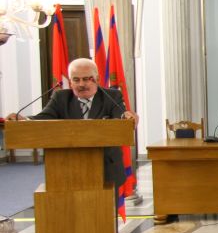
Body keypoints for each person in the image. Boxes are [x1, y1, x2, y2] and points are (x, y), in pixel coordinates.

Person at [6, 57, 138, 190]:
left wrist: (126, 117)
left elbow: (120, 116)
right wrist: (24, 121)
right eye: (76, 79)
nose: (81, 84)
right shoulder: (61, 98)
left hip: (106, 168)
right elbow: (43, 119)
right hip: (66, 169)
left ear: (97, 79)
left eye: (86, 79)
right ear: (70, 82)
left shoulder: (112, 96)